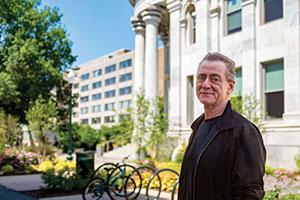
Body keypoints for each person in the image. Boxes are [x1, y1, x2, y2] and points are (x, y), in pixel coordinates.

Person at [178, 52, 266, 200]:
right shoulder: (198, 126)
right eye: (201, 77)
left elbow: (249, 194)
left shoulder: (244, 132)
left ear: (230, 87)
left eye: (215, 79)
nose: (206, 84)